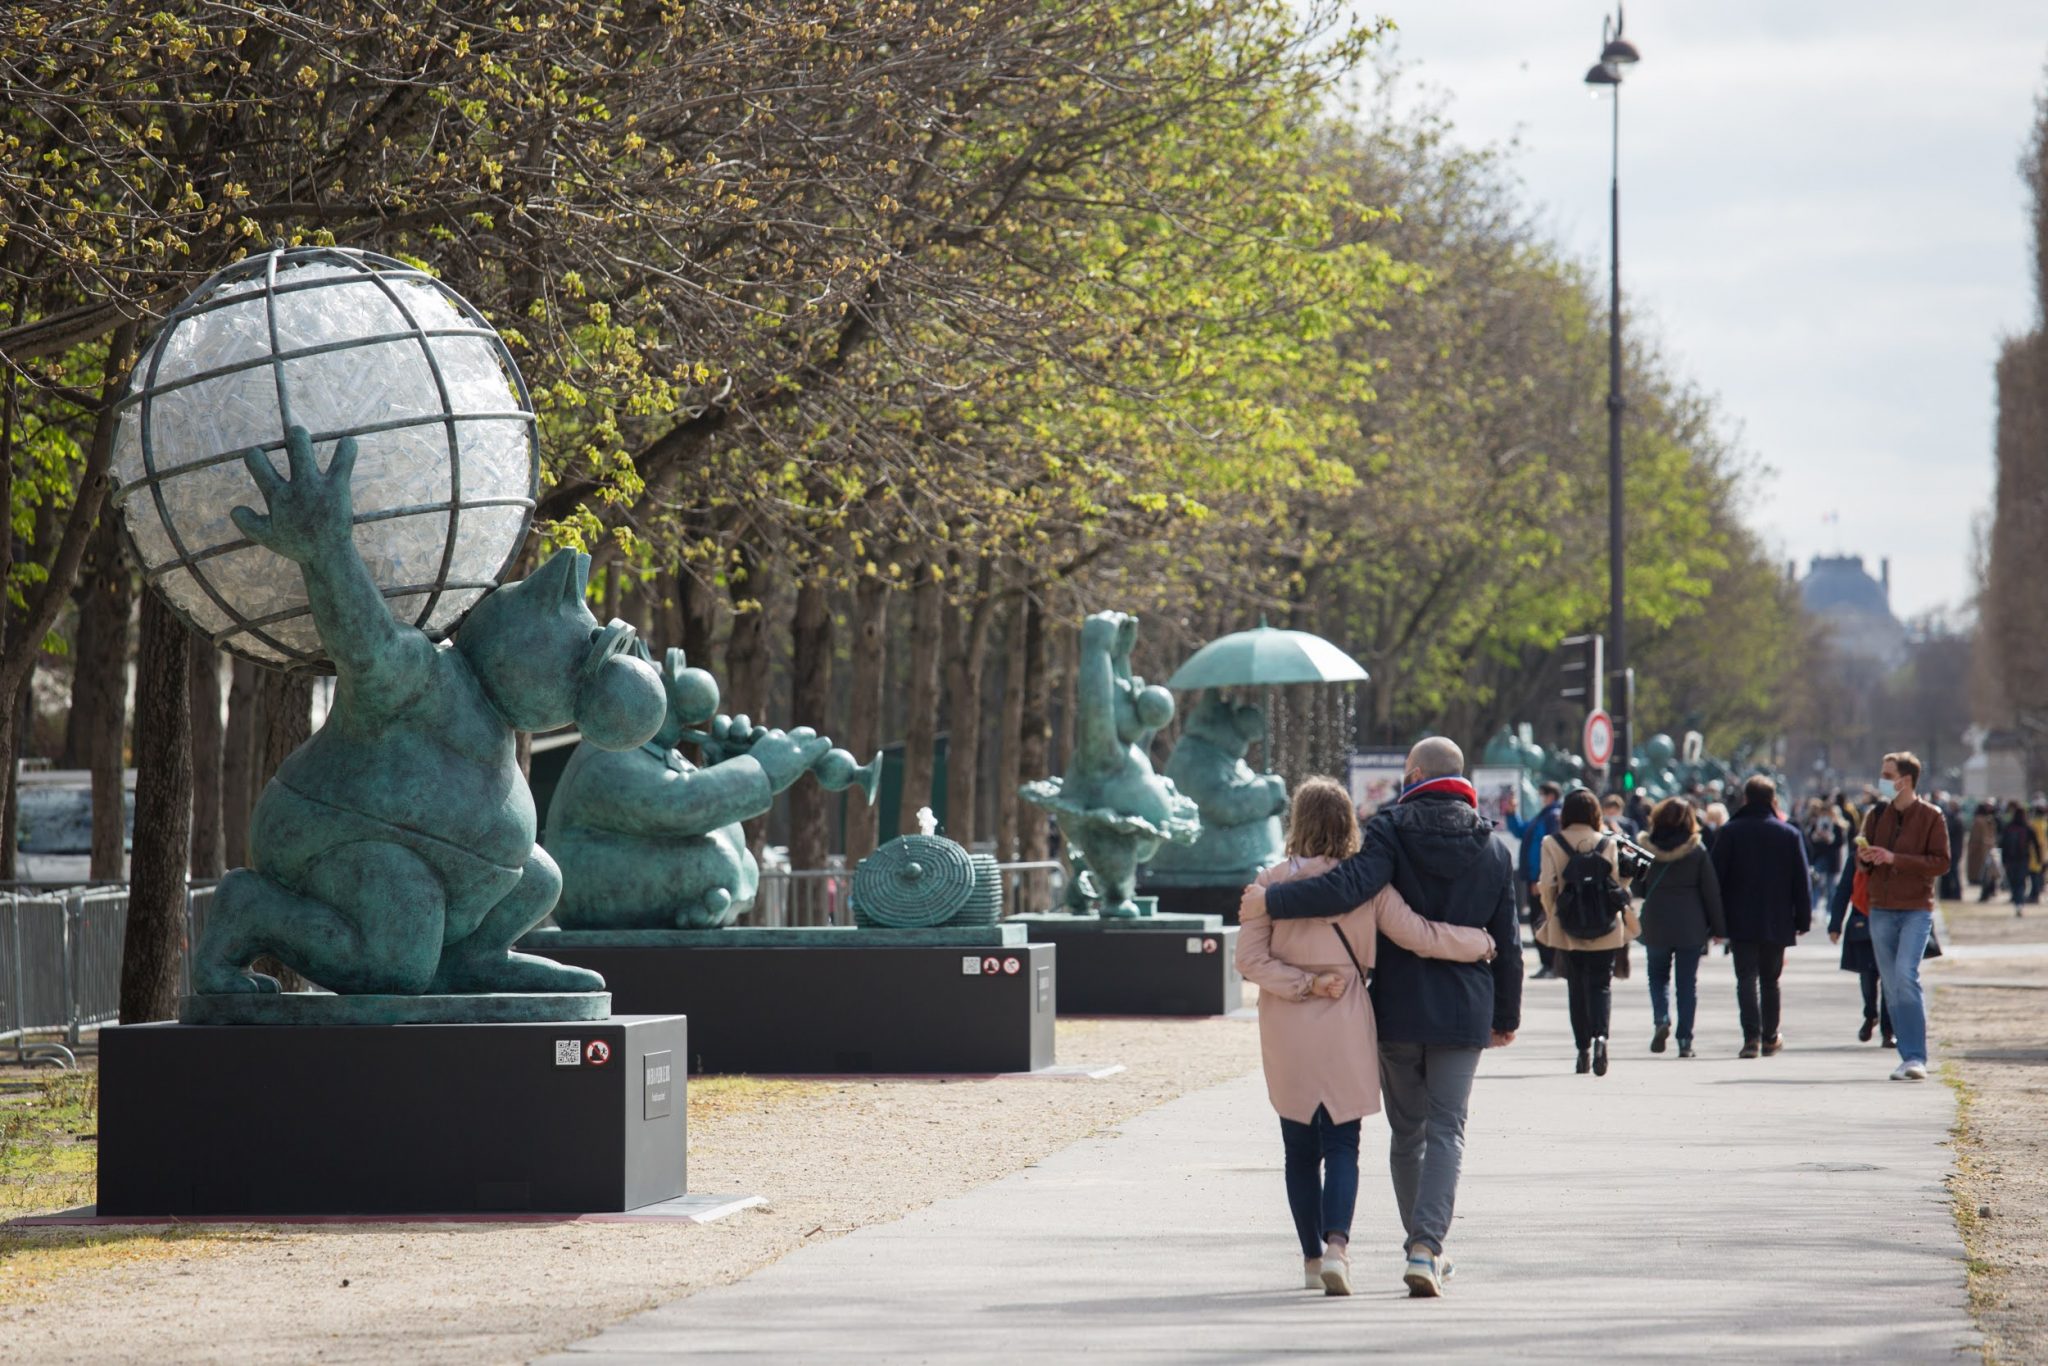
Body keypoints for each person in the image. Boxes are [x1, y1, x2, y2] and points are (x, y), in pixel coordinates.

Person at [1241, 737, 1521, 1299]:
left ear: (1415, 773)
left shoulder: (1388, 833)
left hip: (1388, 1010)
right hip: (1457, 1009)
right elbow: (1490, 940)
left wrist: (1270, 900)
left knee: (1397, 1136)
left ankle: (1333, 1255)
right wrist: (1500, 996)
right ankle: (1423, 1247)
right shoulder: (1494, 850)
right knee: (1443, 1131)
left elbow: (1345, 890)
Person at [1857, 751, 1952, 1081]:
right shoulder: (1876, 814)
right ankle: (1906, 1055)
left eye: (1887, 774)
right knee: (1893, 985)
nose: (1882, 780)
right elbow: (1864, 863)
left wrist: (1896, 858)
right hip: (1881, 907)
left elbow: (1941, 862)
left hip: (1915, 907)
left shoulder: (1931, 816)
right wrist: (1867, 857)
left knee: (1905, 975)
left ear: (1905, 780)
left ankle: (1915, 1056)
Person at [1536, 789, 1640, 1076]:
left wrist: (1553, 912)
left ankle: (1582, 1048)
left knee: (1576, 986)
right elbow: (1617, 881)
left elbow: (1547, 885)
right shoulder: (1606, 841)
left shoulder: (1551, 842)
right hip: (1605, 925)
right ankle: (1601, 1038)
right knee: (1601, 984)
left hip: (1568, 925)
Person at [1709, 775, 1813, 1059]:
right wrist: (1803, 919)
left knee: (1745, 978)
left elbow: (1715, 879)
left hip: (1740, 918)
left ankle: (1750, 1038)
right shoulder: (1788, 834)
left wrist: (1715, 922)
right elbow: (1801, 881)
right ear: (1773, 800)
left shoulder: (1730, 832)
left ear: (1745, 799)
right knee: (1770, 980)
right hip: (1777, 918)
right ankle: (1770, 1036)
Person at [1634, 796, 1725, 1058]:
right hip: (1690, 923)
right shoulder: (1697, 850)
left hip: (1656, 921)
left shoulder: (1646, 847)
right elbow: (1711, 892)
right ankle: (1685, 1040)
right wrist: (1719, 927)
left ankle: (1661, 1018)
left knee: (1658, 976)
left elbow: (1638, 886)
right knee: (1687, 984)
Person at [1825, 853, 1893, 1048]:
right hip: (1862, 919)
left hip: (1891, 917)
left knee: (1889, 977)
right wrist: (1835, 924)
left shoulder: (1897, 848)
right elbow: (1845, 887)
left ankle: (1888, 1031)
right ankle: (1870, 1014)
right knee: (1867, 975)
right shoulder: (1859, 852)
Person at [1508, 782, 1564, 979]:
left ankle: (1551, 963)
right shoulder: (1544, 816)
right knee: (1540, 920)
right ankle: (1548, 964)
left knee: (1541, 921)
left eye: (1542, 794)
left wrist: (1538, 879)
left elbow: (1544, 852)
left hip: (1542, 881)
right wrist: (1511, 814)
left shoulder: (1552, 817)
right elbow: (1522, 832)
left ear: (1549, 796)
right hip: (1539, 880)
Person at [1803, 797, 1847, 912]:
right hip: (1819, 857)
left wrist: (1829, 838)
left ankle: (1829, 910)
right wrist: (1817, 836)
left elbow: (1840, 842)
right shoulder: (1816, 824)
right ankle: (1813, 907)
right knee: (1816, 882)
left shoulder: (1837, 826)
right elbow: (1809, 841)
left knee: (1831, 886)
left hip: (1832, 859)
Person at [1998, 800, 2040, 913]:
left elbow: (2002, 845)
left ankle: (2017, 901)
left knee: (2014, 881)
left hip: (2011, 860)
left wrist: (2003, 860)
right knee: (2021, 882)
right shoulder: (2028, 828)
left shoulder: (2008, 828)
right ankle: (2019, 902)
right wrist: (2039, 858)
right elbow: (2036, 845)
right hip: (2023, 859)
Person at [1969, 800, 2001, 902]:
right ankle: (1987, 893)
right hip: (1984, 851)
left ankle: (1987, 893)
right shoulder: (1983, 821)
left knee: (1987, 874)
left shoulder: (1986, 820)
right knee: (1987, 874)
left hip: (1986, 851)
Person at [1938, 794, 1966, 904]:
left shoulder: (1956, 819)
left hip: (1953, 850)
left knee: (1953, 873)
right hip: (1951, 850)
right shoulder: (1955, 818)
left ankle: (1955, 894)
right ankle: (1947, 894)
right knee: (1947, 873)